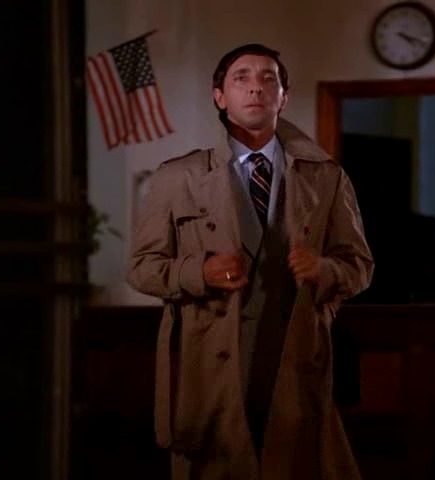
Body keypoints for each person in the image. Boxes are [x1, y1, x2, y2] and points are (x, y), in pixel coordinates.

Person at [127, 43, 374, 480]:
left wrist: (324, 270)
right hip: (210, 364)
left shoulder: (326, 176)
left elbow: (359, 265)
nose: (256, 87)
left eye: (268, 78)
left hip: (296, 359)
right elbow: (142, 267)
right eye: (241, 78)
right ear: (220, 97)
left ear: (284, 96)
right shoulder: (178, 177)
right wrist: (199, 272)